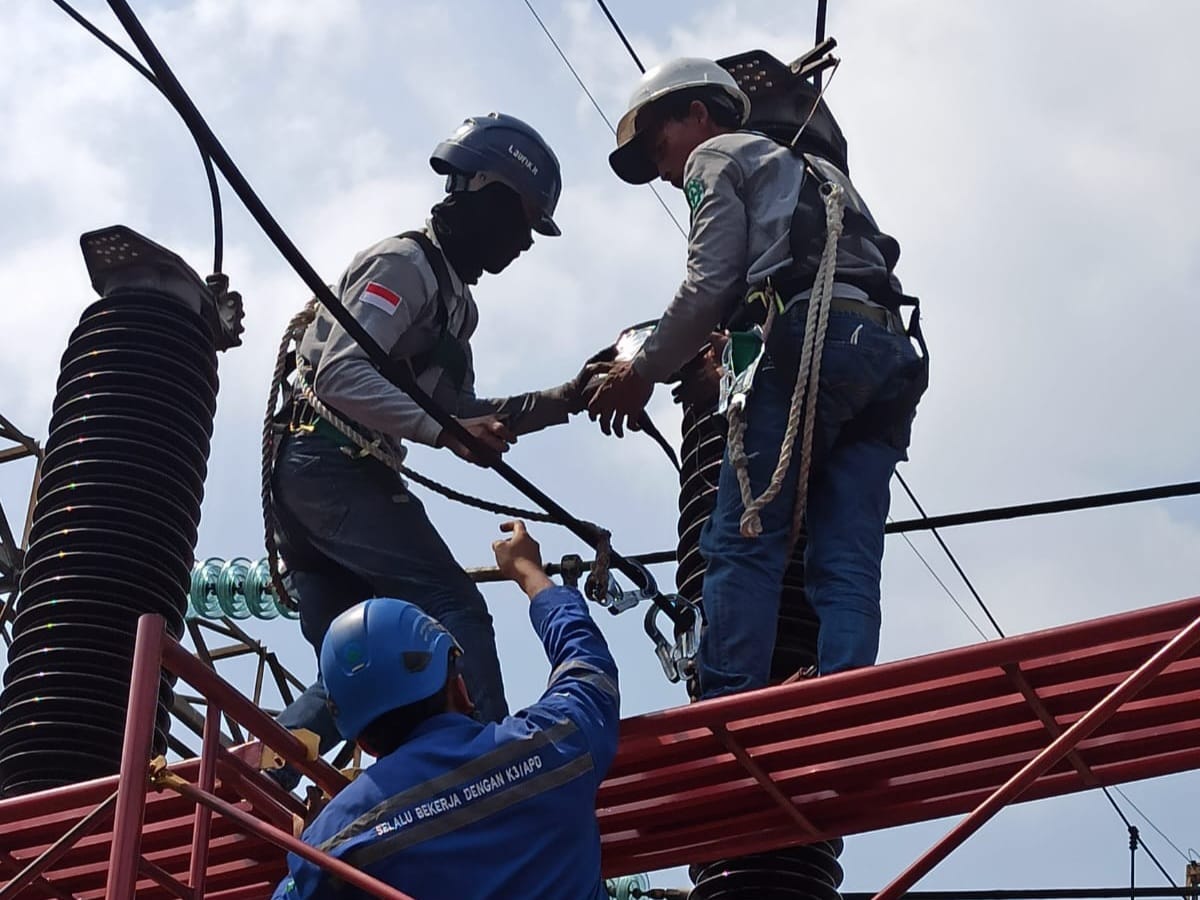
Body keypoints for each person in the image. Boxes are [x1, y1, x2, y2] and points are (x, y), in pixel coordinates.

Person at [270, 112, 601, 775]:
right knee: (452, 611)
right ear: (484, 193)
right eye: (522, 222)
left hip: (327, 482)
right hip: (330, 465)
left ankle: (265, 769)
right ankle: (491, 766)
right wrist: (445, 432)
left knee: (363, 666)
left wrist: (566, 399)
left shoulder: (455, 305)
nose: (523, 244)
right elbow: (339, 375)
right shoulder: (405, 264)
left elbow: (457, 412)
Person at [589, 58, 928, 697]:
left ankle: (728, 701)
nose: (665, 171)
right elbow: (795, 280)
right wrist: (730, 356)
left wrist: (643, 371)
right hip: (887, 356)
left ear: (698, 114)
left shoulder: (714, 155)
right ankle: (845, 694)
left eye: (659, 146)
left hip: (818, 341)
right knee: (846, 557)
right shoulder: (816, 172)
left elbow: (708, 283)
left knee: (742, 537)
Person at [271, 520, 620, 900]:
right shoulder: (554, 743)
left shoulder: (334, 841)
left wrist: (312, 849)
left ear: (363, 741)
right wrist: (529, 574)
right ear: (458, 685)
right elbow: (588, 668)